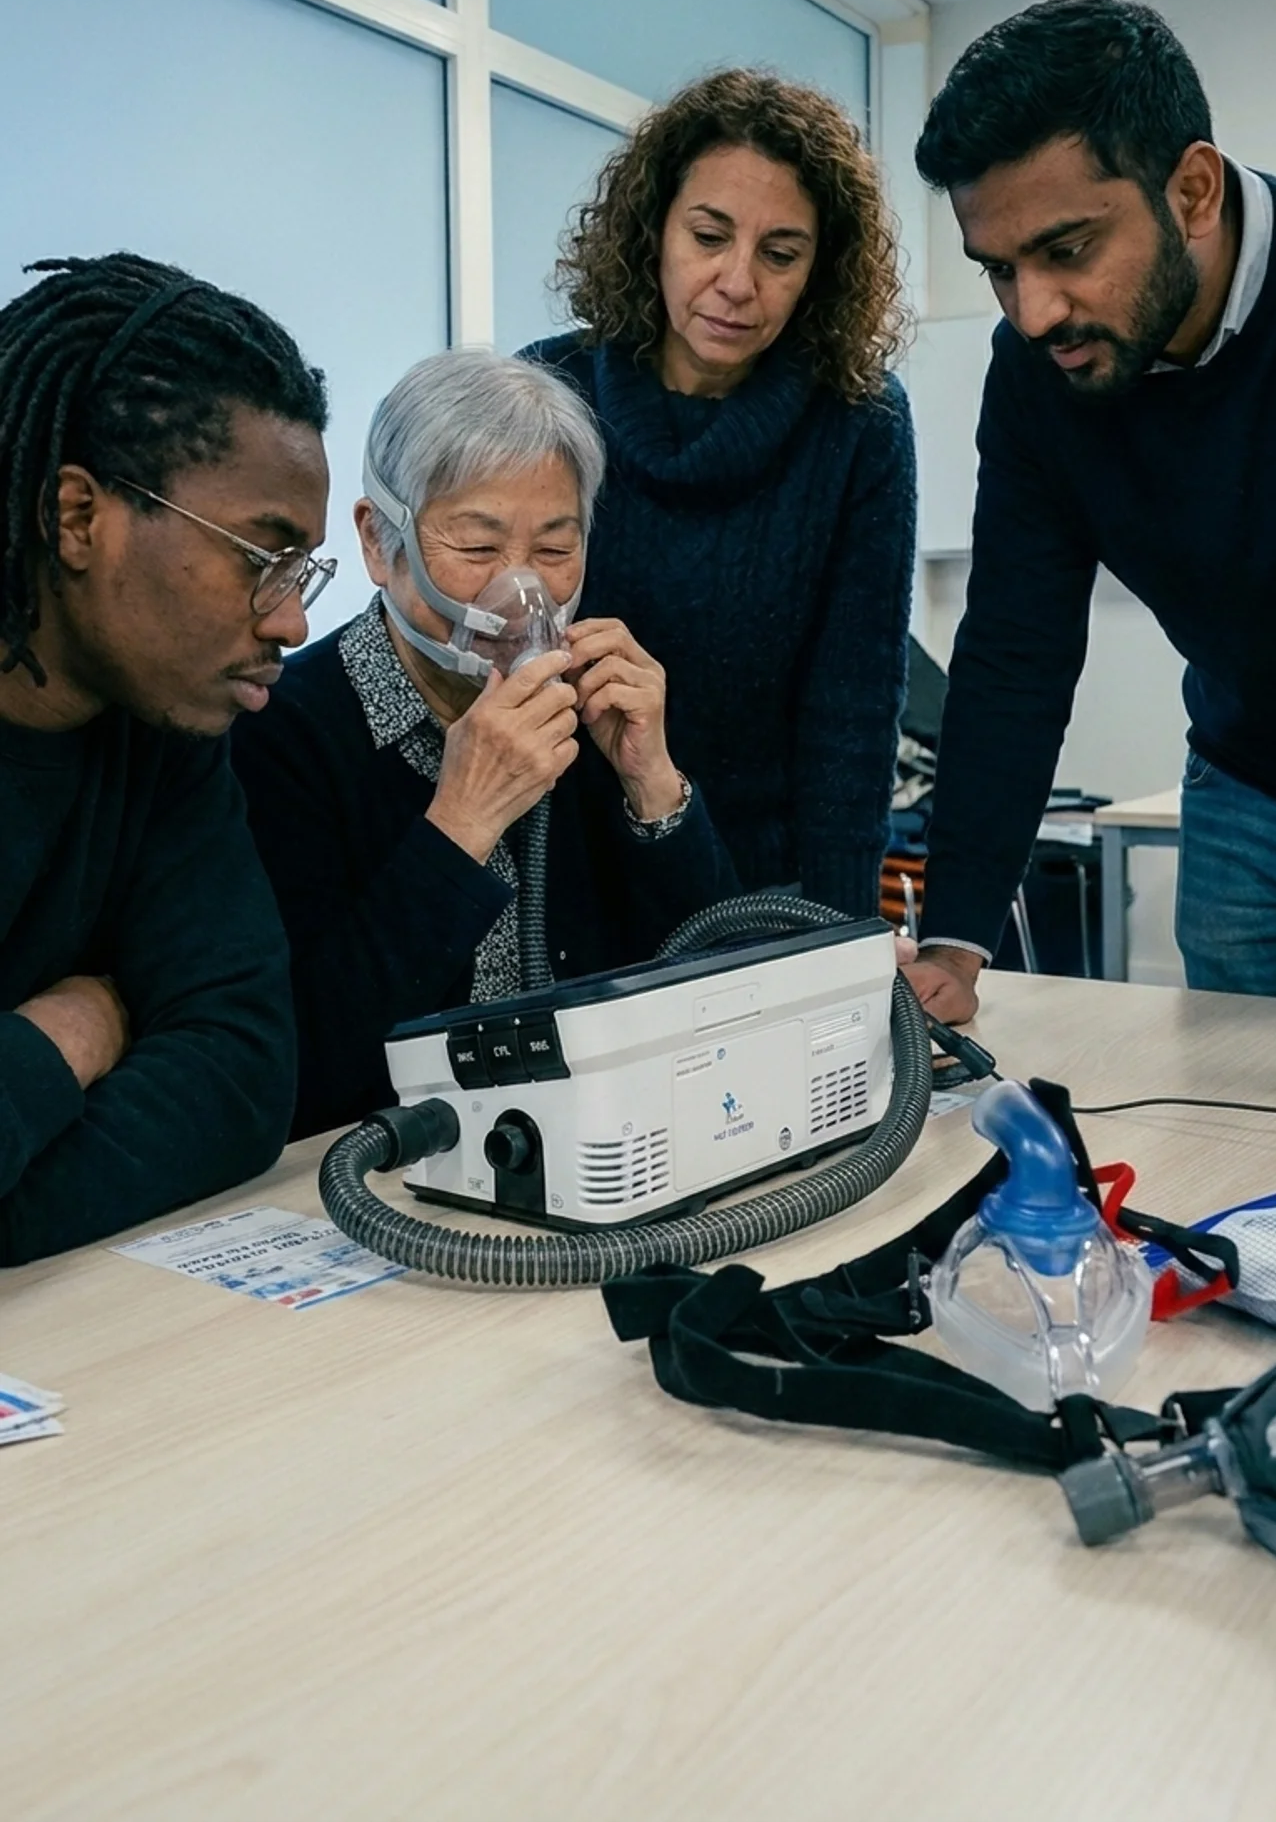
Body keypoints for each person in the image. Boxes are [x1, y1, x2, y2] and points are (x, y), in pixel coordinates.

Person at [231, 348, 738, 1138]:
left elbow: (718, 994)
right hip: (383, 1184)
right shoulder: (282, 735)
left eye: (554, 547)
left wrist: (655, 788)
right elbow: (300, 1069)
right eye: (476, 548)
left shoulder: (599, 713)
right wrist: (460, 824)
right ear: (377, 541)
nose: (521, 589)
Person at [903, 0, 1276, 1024]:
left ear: (1191, 191)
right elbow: (1015, 648)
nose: (1033, 313)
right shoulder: (1034, 375)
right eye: (997, 270)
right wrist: (955, 936)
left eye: (1066, 250)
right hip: (1245, 778)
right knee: (1247, 1122)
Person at [0, 252, 332, 1263]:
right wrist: (74, 1034)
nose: (290, 620)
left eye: (302, 568)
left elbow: (239, 1079)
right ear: (78, 517)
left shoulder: (170, 730)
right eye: (258, 554)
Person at [522, 66, 916, 918]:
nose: (739, 282)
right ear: (653, 231)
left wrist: (839, 940)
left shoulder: (860, 423)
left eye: (781, 254)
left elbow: (852, 712)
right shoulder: (548, 389)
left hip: (760, 889)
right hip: (564, 883)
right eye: (709, 237)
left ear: (821, 268)